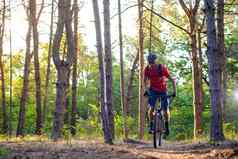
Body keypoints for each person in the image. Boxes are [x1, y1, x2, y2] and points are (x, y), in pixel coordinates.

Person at [144, 53, 176, 137]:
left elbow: (172, 80)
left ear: (155, 61)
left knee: (165, 110)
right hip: (153, 90)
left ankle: (166, 127)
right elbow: (145, 81)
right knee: (151, 108)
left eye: (152, 62)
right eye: (150, 62)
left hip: (163, 90)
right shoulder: (147, 69)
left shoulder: (161, 68)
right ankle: (151, 126)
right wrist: (147, 90)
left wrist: (174, 91)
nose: (151, 64)